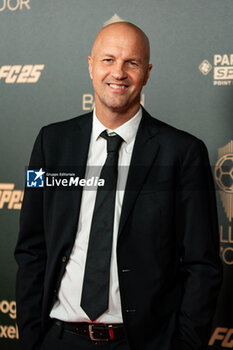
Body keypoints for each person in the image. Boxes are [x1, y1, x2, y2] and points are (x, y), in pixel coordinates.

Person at [15, 21, 222, 350]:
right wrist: (32, 337)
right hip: (58, 339)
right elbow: (31, 248)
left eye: (132, 62)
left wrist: (184, 343)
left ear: (148, 71)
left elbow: (202, 264)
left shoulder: (182, 153)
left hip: (144, 342)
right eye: (108, 60)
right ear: (90, 65)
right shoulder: (50, 143)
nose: (119, 73)